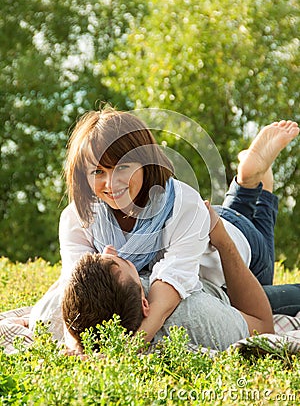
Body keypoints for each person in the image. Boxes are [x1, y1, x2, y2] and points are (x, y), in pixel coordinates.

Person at [29, 110, 299, 345]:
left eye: (122, 167)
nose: (111, 183)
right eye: (98, 172)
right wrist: (75, 344)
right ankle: (248, 180)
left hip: (232, 245)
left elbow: (171, 284)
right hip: (202, 228)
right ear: (83, 176)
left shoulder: (181, 204)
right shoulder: (78, 218)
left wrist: (129, 347)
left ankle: (249, 180)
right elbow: (76, 284)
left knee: (259, 234)